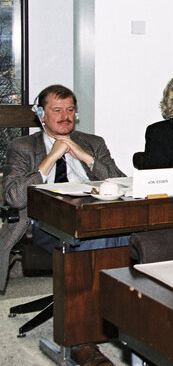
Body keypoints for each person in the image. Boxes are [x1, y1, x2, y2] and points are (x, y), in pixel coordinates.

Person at [1, 84, 125, 365]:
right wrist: (50, 159)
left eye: (70, 110)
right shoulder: (22, 147)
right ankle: (82, 339)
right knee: (96, 241)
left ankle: (117, 315)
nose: (65, 116)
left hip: (93, 216)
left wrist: (86, 157)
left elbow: (121, 183)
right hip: (44, 225)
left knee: (129, 235)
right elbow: (14, 197)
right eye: (57, 110)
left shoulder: (93, 142)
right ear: (41, 114)